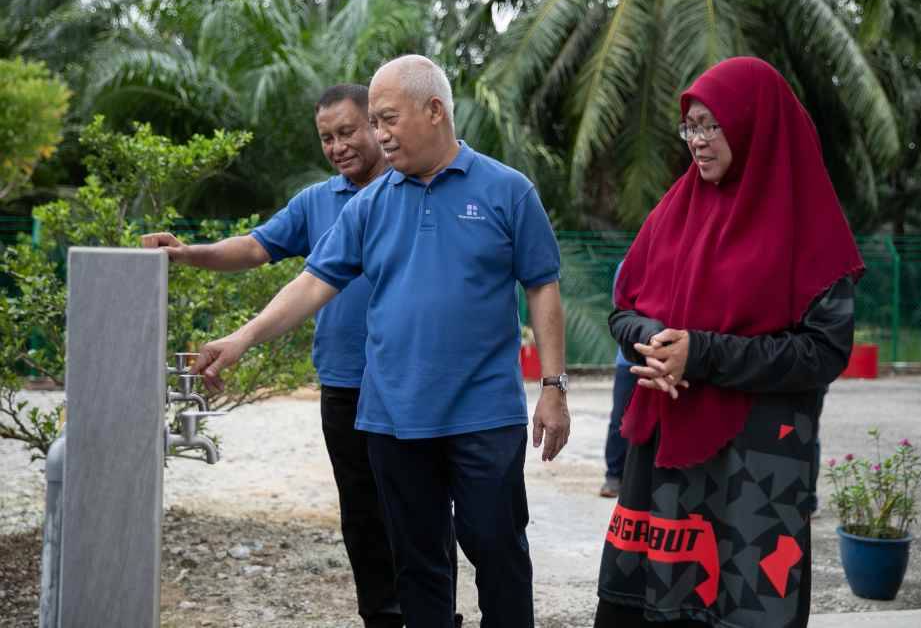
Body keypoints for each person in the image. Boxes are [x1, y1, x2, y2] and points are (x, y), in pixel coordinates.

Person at [189, 54, 571, 628]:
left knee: (496, 550)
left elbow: (542, 288)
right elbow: (313, 284)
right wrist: (242, 338)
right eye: (376, 121)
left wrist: (553, 386)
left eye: (387, 119)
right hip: (392, 417)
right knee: (416, 564)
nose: (379, 134)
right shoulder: (369, 204)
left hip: (483, 413)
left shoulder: (508, 191)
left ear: (435, 110)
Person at [594, 57, 862, 628]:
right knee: (653, 608)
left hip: (756, 469)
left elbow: (823, 352)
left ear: (754, 124)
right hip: (665, 466)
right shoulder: (675, 211)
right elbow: (624, 308)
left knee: (742, 607)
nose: (697, 140)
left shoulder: (806, 225)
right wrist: (654, 341)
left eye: (712, 125)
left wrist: (704, 354)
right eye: (690, 125)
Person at [142, 84, 411, 628]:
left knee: (418, 511)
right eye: (326, 138)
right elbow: (255, 247)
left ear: (378, 126)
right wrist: (186, 253)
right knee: (361, 517)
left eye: (347, 132)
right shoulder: (317, 202)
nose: (337, 146)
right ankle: (382, 618)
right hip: (344, 383)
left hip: (410, 382)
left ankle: (431, 615)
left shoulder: (417, 189)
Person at [601, 261, 637, 499]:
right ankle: (613, 475)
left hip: (666, 357)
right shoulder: (628, 265)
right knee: (620, 419)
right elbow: (620, 308)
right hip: (629, 358)